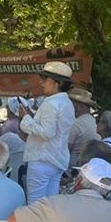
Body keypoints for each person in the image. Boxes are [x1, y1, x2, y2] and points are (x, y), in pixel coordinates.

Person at [19, 61, 75, 203]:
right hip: (56, 159)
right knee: (50, 205)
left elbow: (47, 133)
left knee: (35, 205)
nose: (40, 82)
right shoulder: (67, 102)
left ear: (58, 83)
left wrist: (25, 118)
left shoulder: (52, 103)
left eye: (45, 79)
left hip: (43, 160)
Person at [66, 88, 99, 168]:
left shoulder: (77, 123)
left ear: (79, 107)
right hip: (89, 167)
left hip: (74, 169)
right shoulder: (92, 120)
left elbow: (65, 149)